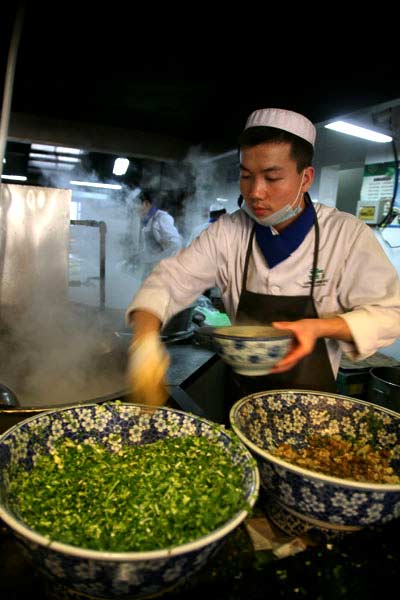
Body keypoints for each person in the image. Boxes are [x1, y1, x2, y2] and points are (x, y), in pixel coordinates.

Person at [126, 107, 400, 409]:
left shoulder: (345, 235)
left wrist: (321, 328)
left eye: (272, 177)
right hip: (242, 400)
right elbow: (169, 281)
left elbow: (390, 314)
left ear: (306, 178)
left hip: (315, 409)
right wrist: (144, 342)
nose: (255, 192)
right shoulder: (228, 232)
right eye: (246, 176)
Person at [136, 190, 182, 279]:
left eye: (136, 206)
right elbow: (152, 248)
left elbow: (176, 245)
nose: (135, 210)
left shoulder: (162, 218)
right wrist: (139, 256)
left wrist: (155, 260)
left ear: (146, 204)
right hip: (150, 269)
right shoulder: (149, 220)